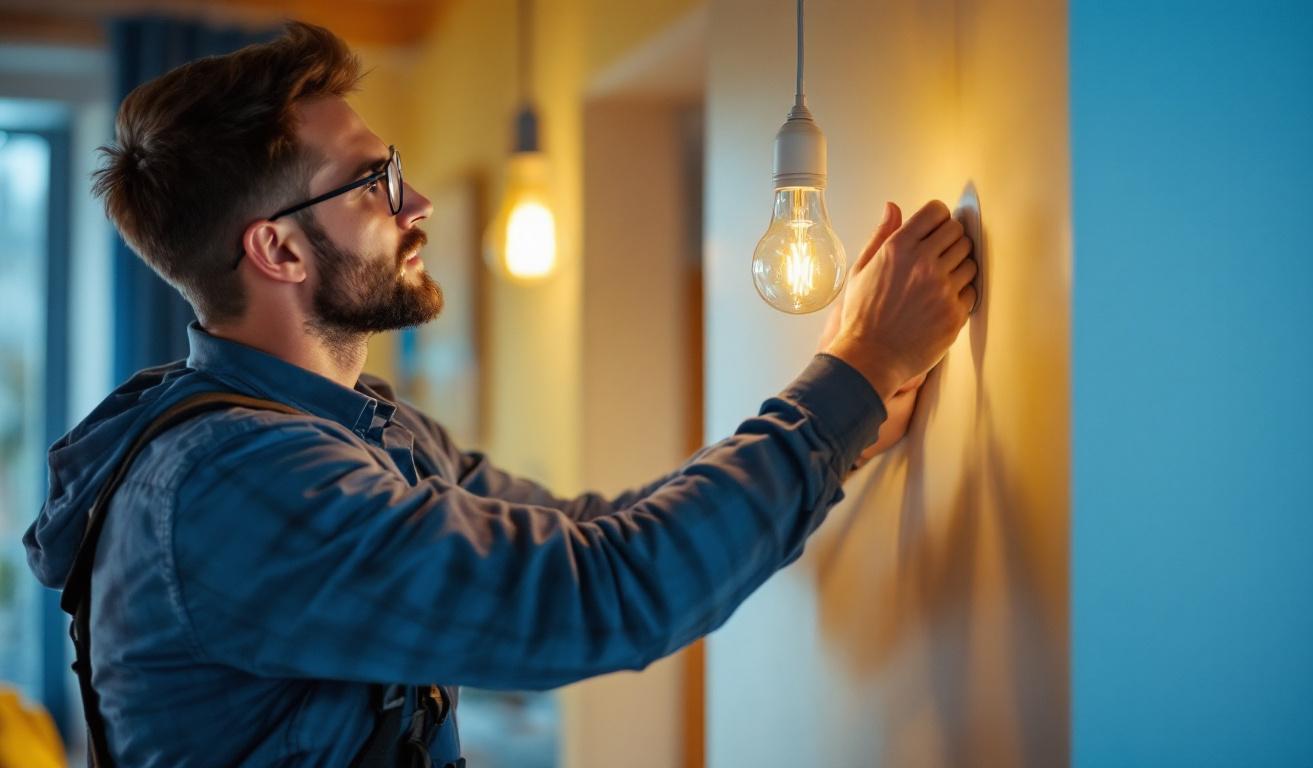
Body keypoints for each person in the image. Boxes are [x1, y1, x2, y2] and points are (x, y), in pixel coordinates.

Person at [23, 21, 975, 768]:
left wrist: (844, 416)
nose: (417, 202)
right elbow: (593, 597)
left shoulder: (363, 430)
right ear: (275, 249)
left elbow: (590, 531)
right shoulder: (235, 486)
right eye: (373, 183)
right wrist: (847, 381)